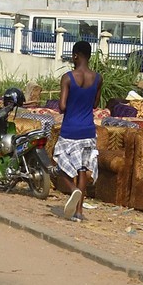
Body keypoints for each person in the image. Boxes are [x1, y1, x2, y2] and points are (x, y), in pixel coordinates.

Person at [55, 39, 101, 221]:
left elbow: (62, 106)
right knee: (82, 170)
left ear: (75, 55)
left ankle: (73, 190)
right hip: (88, 131)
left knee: (58, 163)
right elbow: (95, 104)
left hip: (70, 130)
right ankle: (79, 212)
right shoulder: (98, 78)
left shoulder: (68, 77)